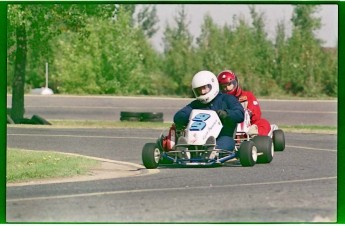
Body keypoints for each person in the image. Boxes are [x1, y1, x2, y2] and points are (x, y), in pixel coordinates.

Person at [173, 70, 244, 152]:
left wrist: (226, 114)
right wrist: (186, 116)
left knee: (226, 142)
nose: (202, 92)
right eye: (199, 89)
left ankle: (212, 151)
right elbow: (179, 116)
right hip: (198, 138)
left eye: (204, 88)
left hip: (223, 135)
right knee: (188, 140)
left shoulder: (227, 99)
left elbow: (240, 114)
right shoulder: (196, 104)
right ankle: (185, 150)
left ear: (213, 85)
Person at [217, 70, 271, 136]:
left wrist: (248, 112)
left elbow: (256, 117)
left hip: (247, 127)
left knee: (264, 123)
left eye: (229, 85)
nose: (227, 88)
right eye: (223, 87)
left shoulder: (247, 96)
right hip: (225, 127)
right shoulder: (219, 99)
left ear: (235, 83)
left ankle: (253, 134)